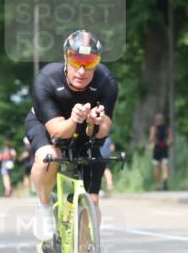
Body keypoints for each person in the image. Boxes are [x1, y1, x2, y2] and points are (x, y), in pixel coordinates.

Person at [25, 30, 118, 241]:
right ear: (66, 57)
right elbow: (57, 131)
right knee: (48, 156)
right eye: (76, 61)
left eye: (90, 62)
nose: (82, 70)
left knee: (92, 201)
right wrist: (74, 119)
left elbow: (105, 129)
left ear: (97, 62)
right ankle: (44, 205)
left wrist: (95, 122)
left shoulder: (107, 82)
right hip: (47, 124)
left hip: (85, 132)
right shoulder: (46, 78)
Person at [148, 112, 174, 190]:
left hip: (157, 148)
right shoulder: (167, 128)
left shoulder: (154, 128)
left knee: (157, 167)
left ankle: (158, 185)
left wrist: (150, 145)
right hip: (163, 148)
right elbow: (171, 139)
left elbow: (151, 139)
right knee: (163, 166)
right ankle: (163, 181)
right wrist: (168, 143)